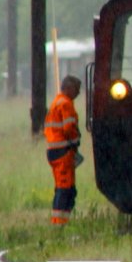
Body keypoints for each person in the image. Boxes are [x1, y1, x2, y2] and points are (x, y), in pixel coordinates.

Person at [44, 75, 82, 225]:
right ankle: (58, 223)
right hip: (63, 151)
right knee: (65, 188)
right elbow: (69, 129)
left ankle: (61, 221)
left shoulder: (56, 102)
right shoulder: (65, 104)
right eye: (77, 90)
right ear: (69, 88)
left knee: (65, 188)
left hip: (55, 151)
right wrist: (76, 141)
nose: (78, 93)